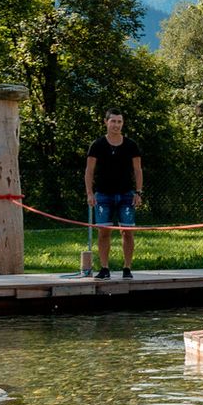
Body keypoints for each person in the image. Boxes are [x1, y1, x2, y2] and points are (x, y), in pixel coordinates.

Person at [84, 110, 143, 280]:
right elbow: (89, 171)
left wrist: (138, 192)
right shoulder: (97, 145)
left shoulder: (131, 145)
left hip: (126, 194)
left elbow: (138, 170)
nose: (116, 125)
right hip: (103, 195)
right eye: (113, 121)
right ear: (106, 122)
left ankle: (127, 268)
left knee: (127, 232)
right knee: (104, 232)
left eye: (119, 122)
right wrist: (90, 193)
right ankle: (104, 268)